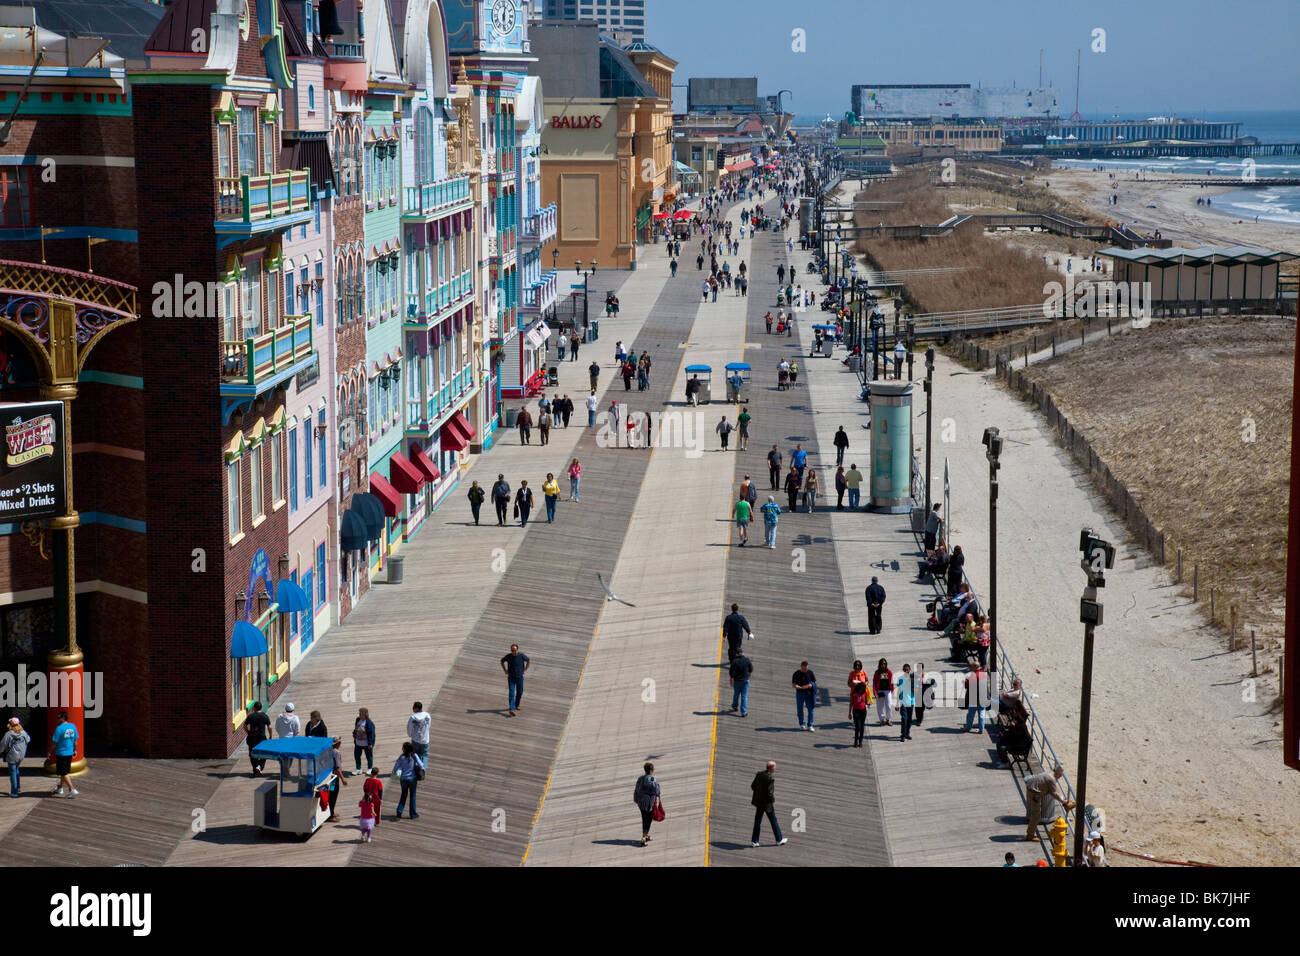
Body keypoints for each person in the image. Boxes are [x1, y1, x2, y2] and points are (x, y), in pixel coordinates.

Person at [1024, 765, 1073, 841]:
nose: (1060, 777)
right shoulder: (1051, 779)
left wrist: (1062, 799)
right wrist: (1062, 801)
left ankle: (1030, 833)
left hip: (1031, 789)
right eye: (1061, 775)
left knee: (1035, 814)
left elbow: (1054, 788)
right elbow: (1054, 793)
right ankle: (1030, 835)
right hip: (1034, 794)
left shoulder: (1049, 774)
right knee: (1036, 816)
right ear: (1057, 773)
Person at [750, 760, 788, 847]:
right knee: (773, 820)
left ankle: (754, 841)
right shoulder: (770, 778)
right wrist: (772, 800)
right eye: (774, 767)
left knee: (757, 821)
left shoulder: (759, 774)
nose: (775, 769)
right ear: (771, 768)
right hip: (767, 804)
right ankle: (779, 839)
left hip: (759, 802)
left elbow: (753, 786)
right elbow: (770, 793)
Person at [392, 741, 425, 820]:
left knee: (403, 794)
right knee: (412, 796)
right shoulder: (414, 756)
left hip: (403, 779)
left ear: (404, 749)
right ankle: (413, 814)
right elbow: (421, 765)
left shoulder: (401, 758)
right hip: (412, 779)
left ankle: (399, 811)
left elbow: (396, 768)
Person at [633, 763, 662, 847]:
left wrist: (636, 799)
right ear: (651, 770)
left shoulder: (640, 779)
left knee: (644, 818)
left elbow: (636, 789)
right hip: (649, 804)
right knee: (648, 820)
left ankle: (646, 835)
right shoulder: (653, 780)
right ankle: (643, 837)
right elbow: (657, 792)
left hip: (641, 802)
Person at [51, 711, 79, 797]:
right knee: (64, 771)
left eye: (58, 717)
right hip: (69, 752)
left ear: (63, 718)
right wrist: (75, 750)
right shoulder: (73, 726)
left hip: (61, 753)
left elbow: (54, 742)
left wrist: (49, 752)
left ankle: (72, 789)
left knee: (64, 772)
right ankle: (60, 787)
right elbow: (76, 740)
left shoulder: (59, 728)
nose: (57, 719)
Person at [2, 717, 30, 796]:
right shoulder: (23, 732)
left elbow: (3, 745)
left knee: (13, 773)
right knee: (16, 770)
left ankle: (14, 792)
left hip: (11, 756)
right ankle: (17, 787)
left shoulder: (9, 734)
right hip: (21, 755)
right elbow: (28, 740)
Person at [501, 643, 531, 716]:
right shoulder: (508, 656)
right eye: (512, 650)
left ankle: (517, 704)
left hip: (520, 678)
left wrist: (525, 669)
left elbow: (528, 660)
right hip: (511, 678)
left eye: (514, 650)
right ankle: (512, 709)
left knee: (520, 692)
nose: (513, 652)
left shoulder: (521, 656)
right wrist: (505, 670)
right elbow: (502, 661)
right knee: (511, 693)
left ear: (517, 650)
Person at [243, 701, 271, 776]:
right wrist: (270, 735)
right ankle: (260, 766)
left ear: (254, 708)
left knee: (252, 753)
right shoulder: (265, 716)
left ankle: (255, 769)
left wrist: (248, 732)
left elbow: (244, 725)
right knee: (264, 753)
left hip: (252, 738)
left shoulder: (250, 716)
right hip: (261, 738)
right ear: (261, 708)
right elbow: (269, 727)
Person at [326, 737, 348, 821]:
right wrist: (343, 779)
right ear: (337, 744)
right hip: (334, 779)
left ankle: (331, 812)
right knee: (333, 795)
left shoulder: (328, 751)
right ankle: (330, 815)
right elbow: (337, 768)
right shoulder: (336, 753)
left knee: (330, 794)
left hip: (328, 777)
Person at [791, 661, 817, 731]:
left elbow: (814, 682)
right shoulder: (796, 673)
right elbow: (793, 684)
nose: (805, 670)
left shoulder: (810, 672)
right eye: (804, 668)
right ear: (801, 666)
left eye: (806, 668)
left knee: (811, 709)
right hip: (800, 693)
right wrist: (800, 687)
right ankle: (802, 724)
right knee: (800, 709)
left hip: (808, 693)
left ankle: (810, 725)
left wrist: (809, 685)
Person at [964, 664, 990, 734]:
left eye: (972, 667)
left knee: (970, 714)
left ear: (974, 667)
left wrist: (966, 680)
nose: (971, 668)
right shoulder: (983, 674)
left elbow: (966, 686)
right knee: (982, 713)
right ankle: (981, 729)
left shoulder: (973, 675)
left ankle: (968, 728)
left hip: (974, 698)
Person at [352, 707, 376, 775]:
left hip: (366, 744)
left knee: (369, 756)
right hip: (358, 743)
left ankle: (370, 768)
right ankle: (358, 769)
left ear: (365, 714)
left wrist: (370, 744)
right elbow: (356, 728)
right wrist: (354, 734)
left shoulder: (369, 723)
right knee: (357, 756)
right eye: (359, 713)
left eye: (360, 713)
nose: (359, 714)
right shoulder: (358, 720)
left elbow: (371, 734)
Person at [406, 702, 431, 767]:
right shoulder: (427, 715)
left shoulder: (413, 717)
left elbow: (409, 728)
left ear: (416, 708)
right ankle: (423, 769)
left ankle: (416, 769)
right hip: (425, 740)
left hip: (416, 740)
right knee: (424, 756)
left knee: (415, 755)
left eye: (413, 707)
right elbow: (428, 726)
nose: (413, 709)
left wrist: (410, 735)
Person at [895, 664, 915, 741]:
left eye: (908, 669)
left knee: (909, 719)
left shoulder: (912, 679)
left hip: (911, 702)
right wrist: (896, 703)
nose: (906, 671)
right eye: (905, 670)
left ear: (910, 670)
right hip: (903, 702)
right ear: (903, 670)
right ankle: (903, 735)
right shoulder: (900, 679)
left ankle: (907, 733)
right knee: (904, 719)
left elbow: (915, 690)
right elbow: (898, 691)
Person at [729, 651, 753, 716]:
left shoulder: (734, 661)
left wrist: (731, 679)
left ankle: (735, 706)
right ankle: (743, 712)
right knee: (744, 696)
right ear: (743, 653)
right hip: (745, 681)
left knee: (736, 694)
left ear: (736, 654)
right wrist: (748, 676)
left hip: (737, 681)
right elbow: (751, 669)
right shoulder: (747, 660)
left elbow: (731, 672)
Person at [849, 680, 870, 748]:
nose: (861, 690)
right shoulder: (854, 693)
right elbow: (851, 703)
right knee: (857, 727)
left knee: (862, 727)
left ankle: (860, 742)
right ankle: (855, 741)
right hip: (856, 711)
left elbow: (866, 701)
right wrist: (849, 713)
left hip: (863, 711)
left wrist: (868, 703)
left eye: (863, 689)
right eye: (861, 689)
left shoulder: (865, 693)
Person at [873, 659, 894, 726]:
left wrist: (893, 690)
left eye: (884, 664)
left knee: (889, 705)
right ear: (879, 664)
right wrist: (875, 692)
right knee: (880, 707)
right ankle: (882, 720)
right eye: (882, 664)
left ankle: (888, 719)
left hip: (887, 691)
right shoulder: (877, 672)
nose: (883, 665)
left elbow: (892, 681)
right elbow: (874, 683)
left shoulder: (889, 672)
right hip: (880, 690)